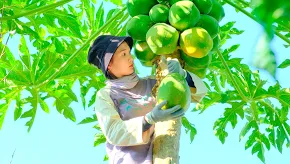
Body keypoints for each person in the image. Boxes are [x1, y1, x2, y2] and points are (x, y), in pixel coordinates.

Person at [87, 35, 208, 164]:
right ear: (109, 65)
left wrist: (183, 75)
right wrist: (148, 120)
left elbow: (199, 93)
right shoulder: (106, 95)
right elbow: (113, 132)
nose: (130, 58)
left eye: (129, 53)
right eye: (123, 55)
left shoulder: (153, 82)